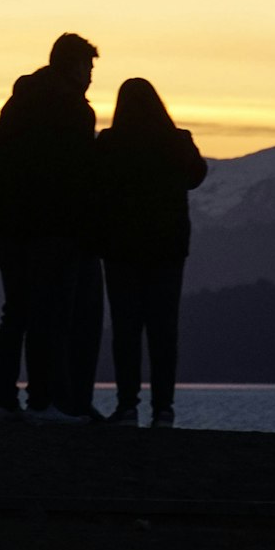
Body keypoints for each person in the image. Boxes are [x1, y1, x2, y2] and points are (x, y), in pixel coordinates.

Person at [0, 32, 103, 423]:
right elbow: (80, 174)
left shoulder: (19, 100)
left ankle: (7, 403)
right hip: (54, 228)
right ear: (72, 65)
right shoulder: (74, 109)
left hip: (8, 227)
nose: (90, 77)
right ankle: (43, 402)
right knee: (49, 316)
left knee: (15, 313)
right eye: (87, 67)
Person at [96, 78, 207, 427]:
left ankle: (127, 406)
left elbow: (92, 182)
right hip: (168, 250)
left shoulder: (110, 143)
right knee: (164, 330)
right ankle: (164, 410)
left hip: (120, 251)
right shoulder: (177, 141)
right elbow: (196, 176)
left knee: (126, 330)